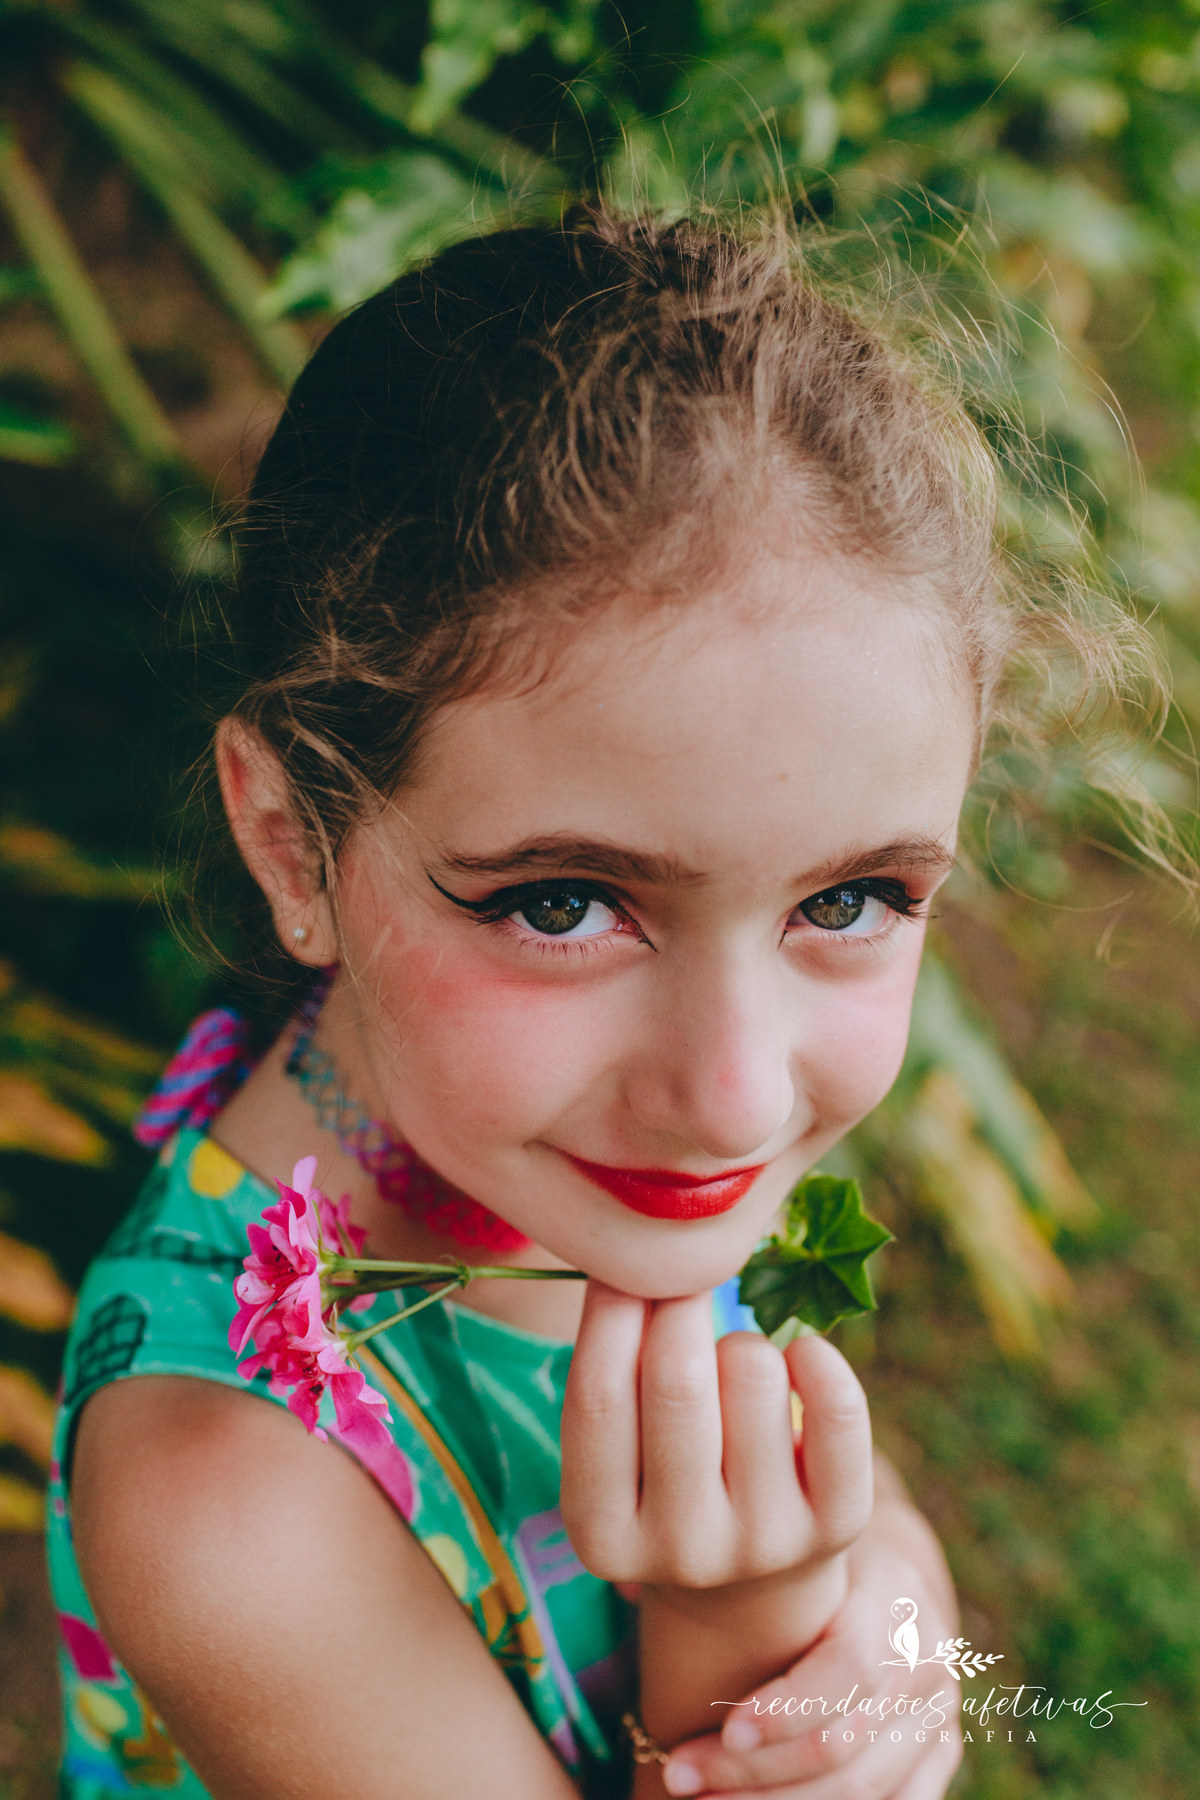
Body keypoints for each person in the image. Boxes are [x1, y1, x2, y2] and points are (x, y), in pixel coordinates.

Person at [45, 207, 1132, 1800]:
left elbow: (845, 1492)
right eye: (562, 904)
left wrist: (891, 1611)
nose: (740, 1098)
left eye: (849, 902)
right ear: (294, 841)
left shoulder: (595, 1146)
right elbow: (764, 1554)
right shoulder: (231, 1501)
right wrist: (740, 1623)